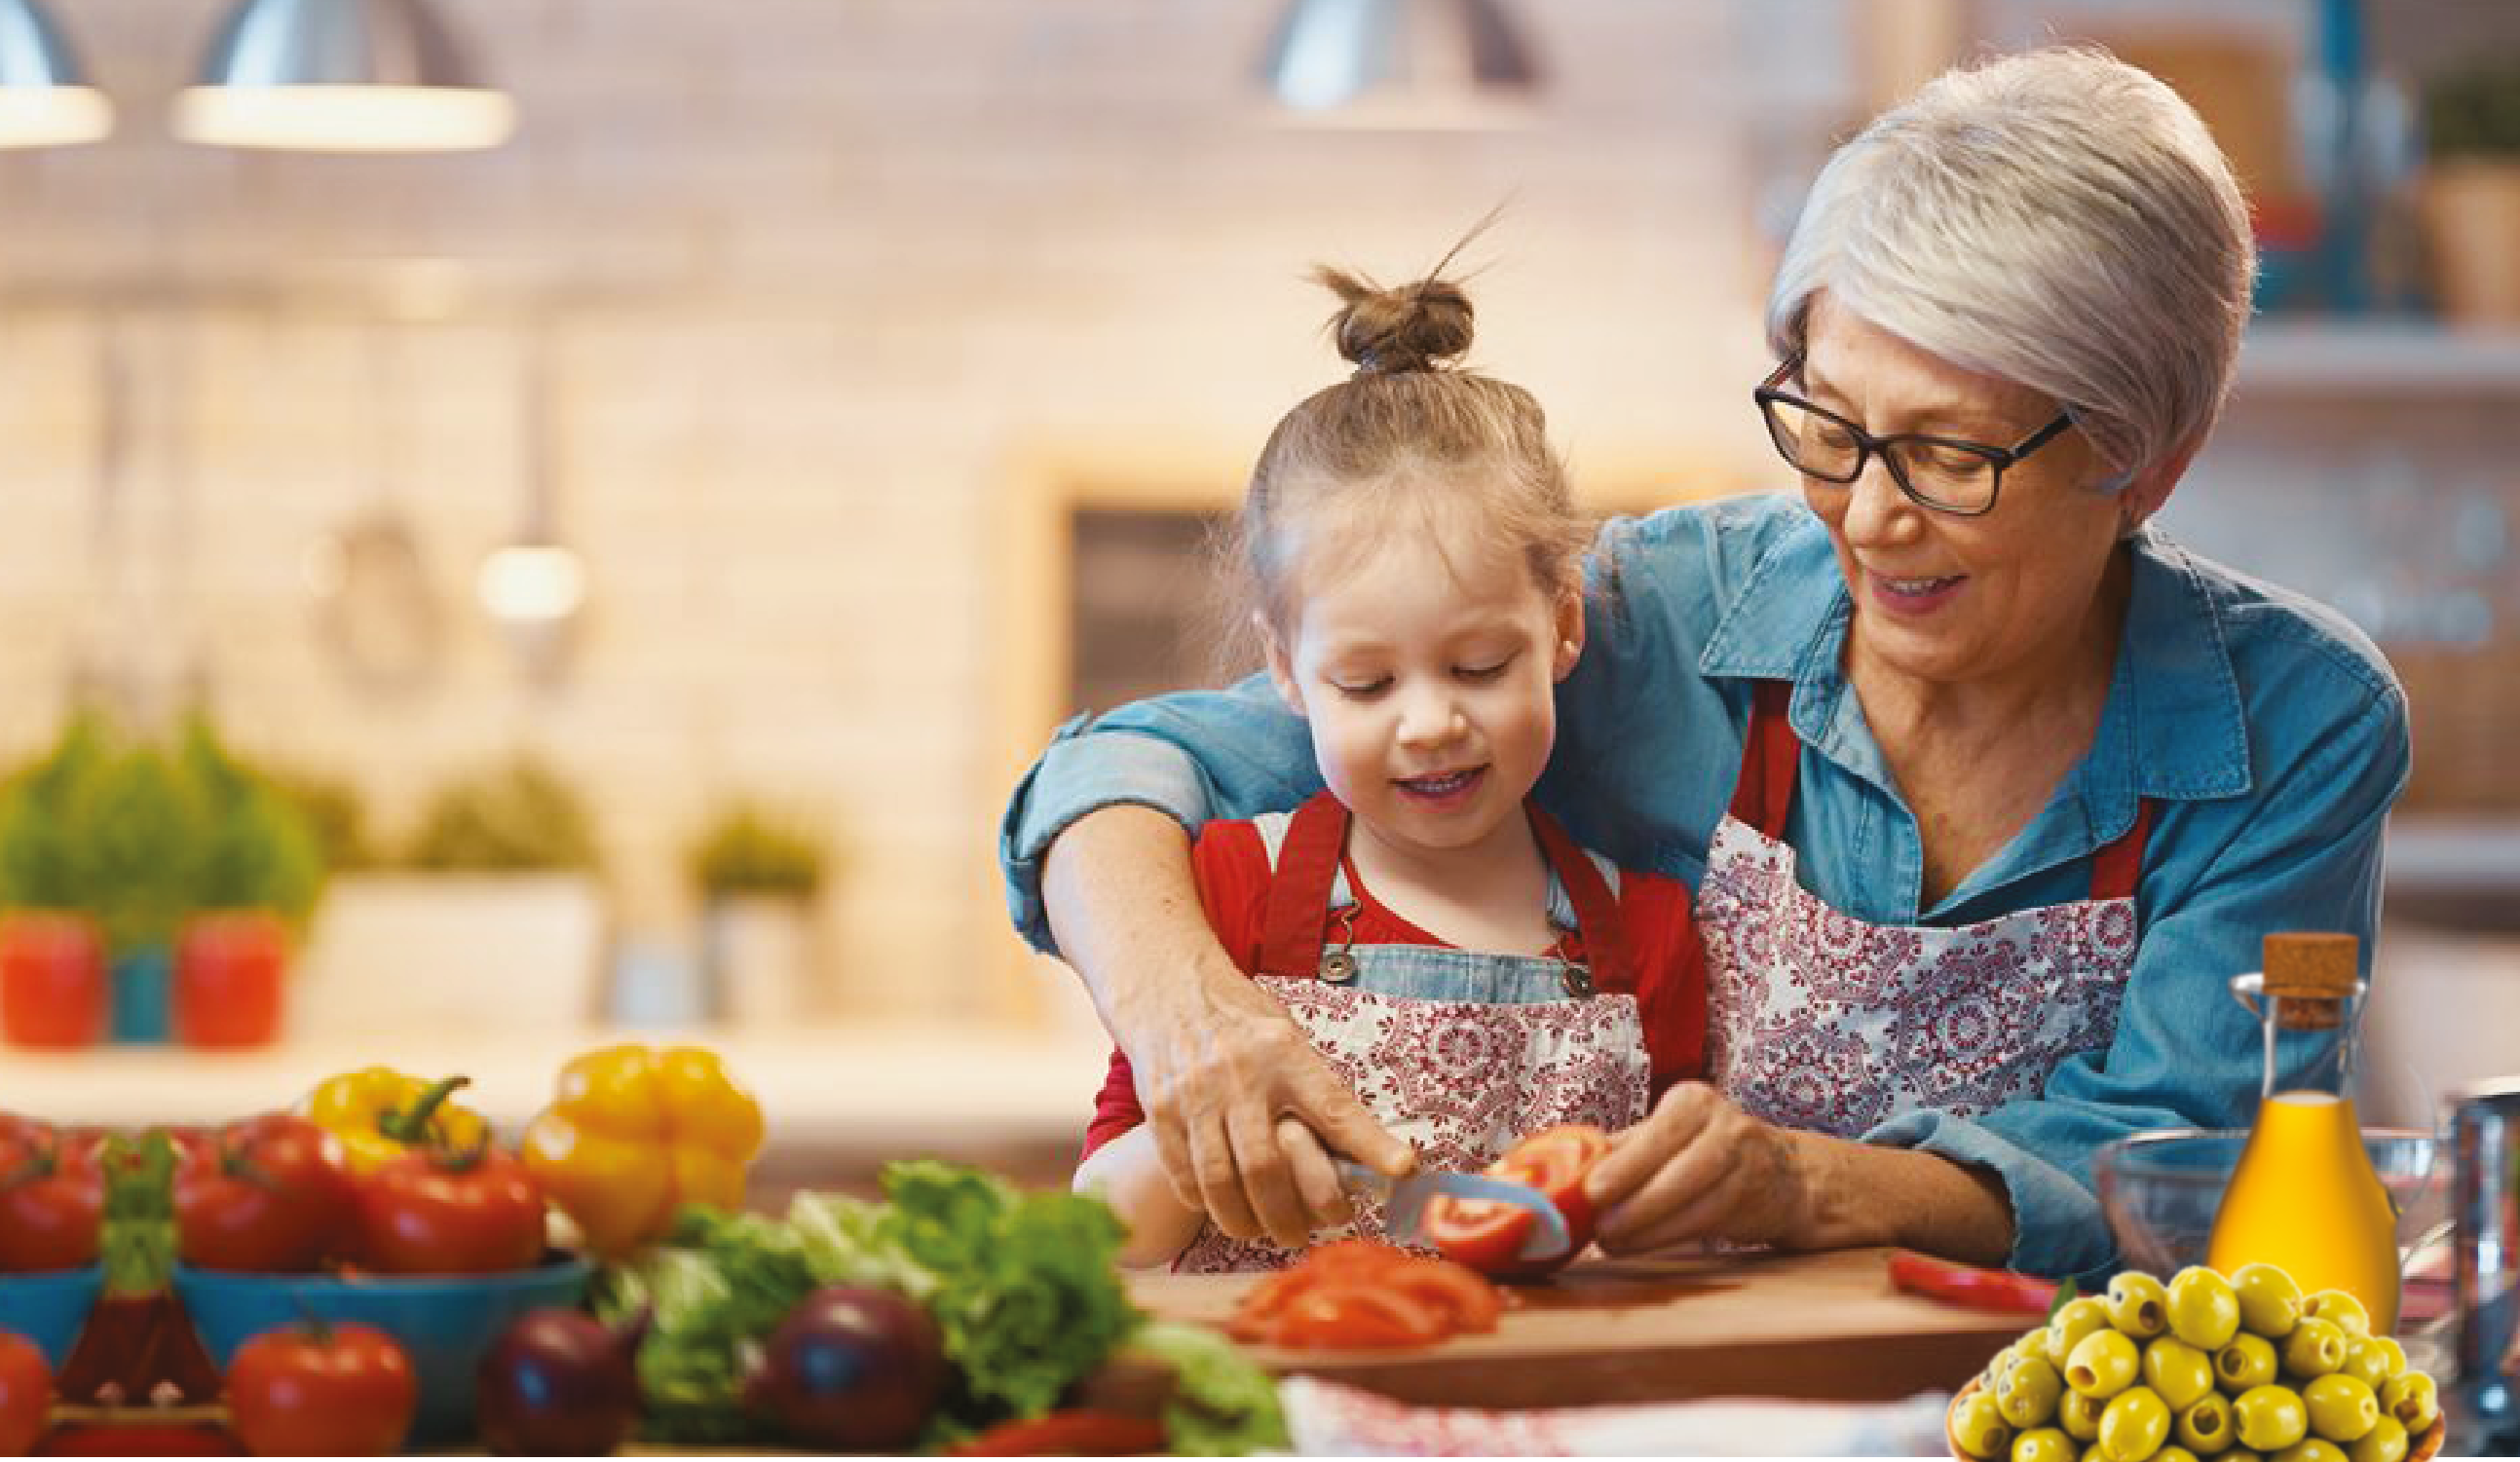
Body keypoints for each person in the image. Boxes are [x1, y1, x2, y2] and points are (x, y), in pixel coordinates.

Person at [1005, 48, 2410, 1279]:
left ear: (2141, 461)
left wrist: (1811, 1186)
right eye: (1827, 425)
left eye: (1945, 454)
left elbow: (2177, 1155)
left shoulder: (2291, 722)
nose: (1867, 514)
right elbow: (1128, 773)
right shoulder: (1663, 611)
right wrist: (1181, 1011)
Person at [1070, 260, 1708, 1271]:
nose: (1429, 723)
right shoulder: (1230, 885)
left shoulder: (1653, 932)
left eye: (1480, 666)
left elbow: (1678, 1250)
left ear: (1565, 627)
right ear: (1286, 670)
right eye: (1366, 684)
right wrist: (1210, 1146)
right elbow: (1099, 1230)